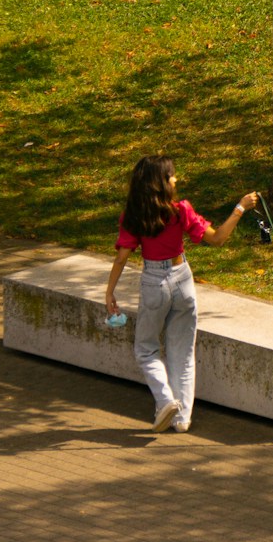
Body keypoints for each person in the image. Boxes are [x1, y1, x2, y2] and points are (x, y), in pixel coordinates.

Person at [103, 155, 260, 433]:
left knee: (145, 348)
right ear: (161, 183)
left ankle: (164, 401)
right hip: (182, 277)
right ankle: (181, 419)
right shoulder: (181, 210)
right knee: (183, 352)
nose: (176, 179)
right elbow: (217, 238)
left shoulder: (134, 216)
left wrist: (110, 291)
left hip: (154, 281)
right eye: (172, 175)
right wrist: (240, 208)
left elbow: (122, 257)